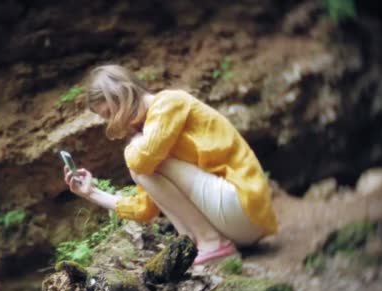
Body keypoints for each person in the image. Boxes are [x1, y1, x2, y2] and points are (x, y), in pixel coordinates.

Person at [63, 64, 277, 265]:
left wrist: (132, 147)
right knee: (142, 166)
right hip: (234, 220)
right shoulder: (151, 135)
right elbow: (144, 209)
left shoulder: (169, 103)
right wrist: (91, 193)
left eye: (109, 113)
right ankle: (195, 245)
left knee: (140, 161)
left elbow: (141, 159)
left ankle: (212, 243)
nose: (112, 123)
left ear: (122, 96)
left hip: (244, 206)